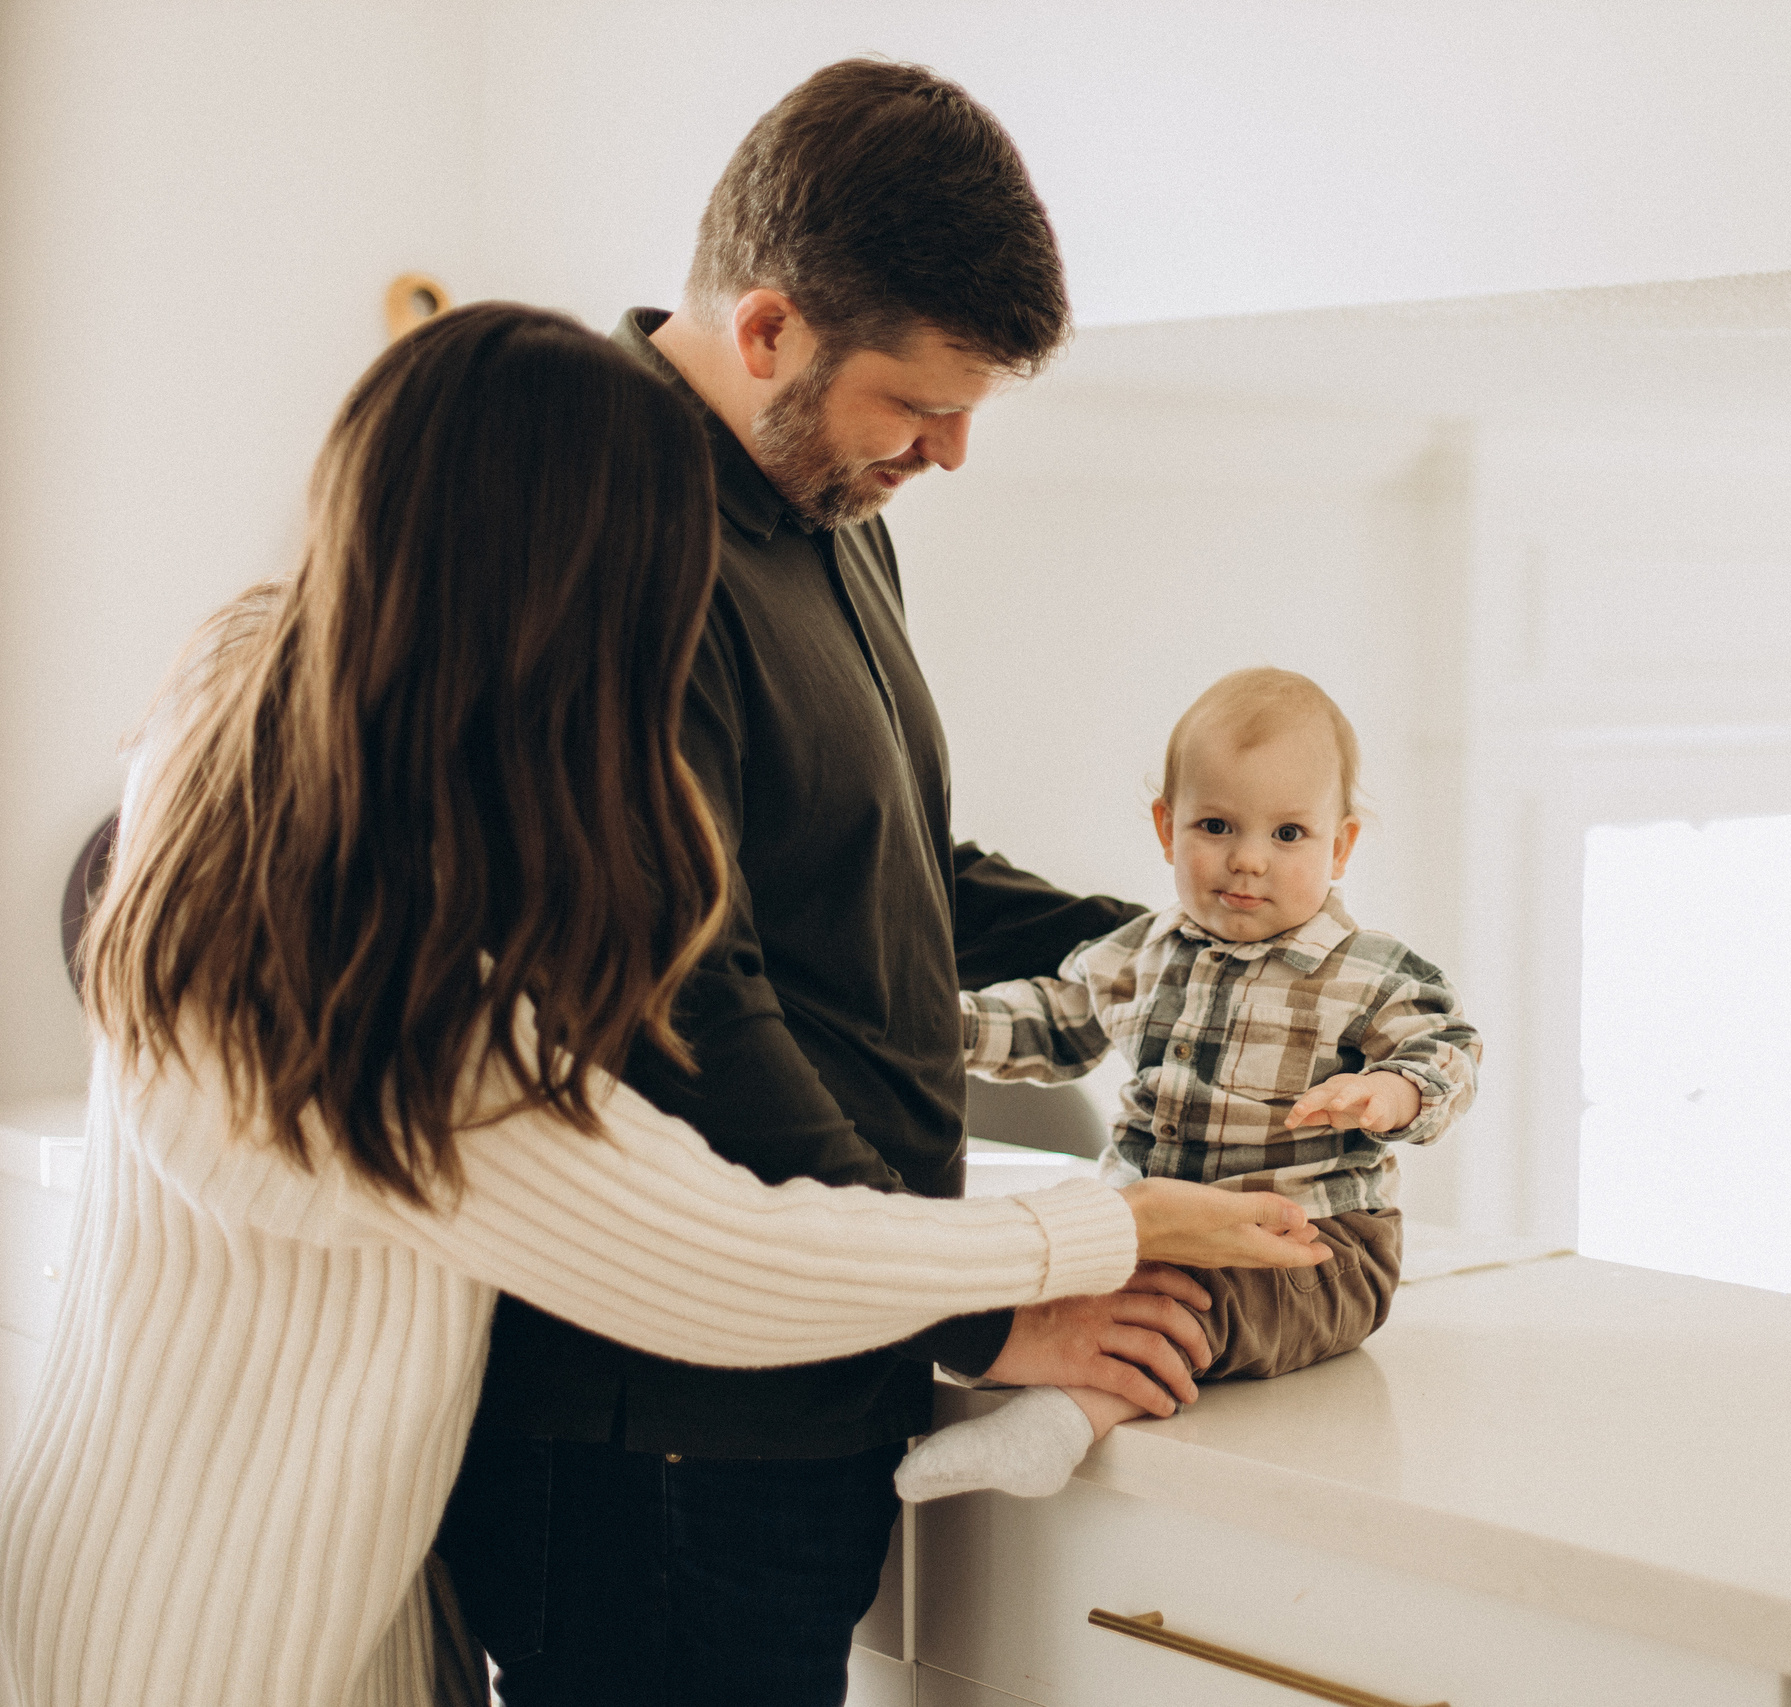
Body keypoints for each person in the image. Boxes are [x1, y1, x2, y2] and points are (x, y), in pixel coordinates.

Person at [0, 305, 1319, 1707]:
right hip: (224, 1644)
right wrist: (1095, 1232)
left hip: (230, 1586)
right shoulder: (384, 1016)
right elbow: (729, 1252)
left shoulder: (252, 699)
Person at [433, 58, 1233, 1707]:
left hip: (794, 1397)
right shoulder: (605, 521)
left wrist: (1161, 945)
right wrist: (977, 1314)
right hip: (656, 1433)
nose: (947, 452)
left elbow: (878, 866)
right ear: (773, 329)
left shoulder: (826, 501)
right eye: (918, 404)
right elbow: (681, 988)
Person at [894, 668, 1481, 1502]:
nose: (1247, 860)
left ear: (1339, 845)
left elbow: (1448, 1050)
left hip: (1311, 1241)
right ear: (1168, 828)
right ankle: (1008, 1374)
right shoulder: (1143, 950)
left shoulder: (1368, 971)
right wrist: (938, 1027)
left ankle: (1065, 1418)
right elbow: (1055, 1020)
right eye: (1216, 825)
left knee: (1191, 1301)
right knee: (1058, 1269)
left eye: (1288, 834)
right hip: (1160, 1224)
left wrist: (1393, 1091)